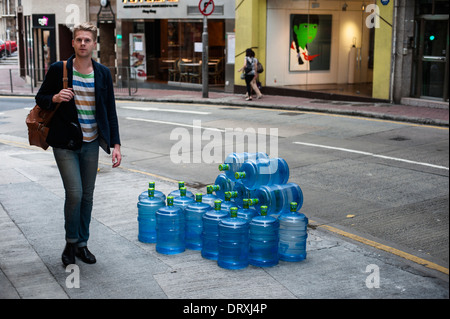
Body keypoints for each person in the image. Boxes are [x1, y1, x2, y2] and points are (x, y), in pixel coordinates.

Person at [35, 22, 122, 267]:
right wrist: (54, 97)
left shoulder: (103, 73)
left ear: (94, 44)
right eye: (79, 39)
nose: (83, 43)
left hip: (92, 142)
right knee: (74, 193)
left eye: (87, 40)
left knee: (87, 196)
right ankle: (70, 242)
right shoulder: (58, 69)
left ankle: (83, 244)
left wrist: (116, 144)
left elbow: (110, 111)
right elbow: (40, 97)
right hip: (65, 143)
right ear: (73, 43)